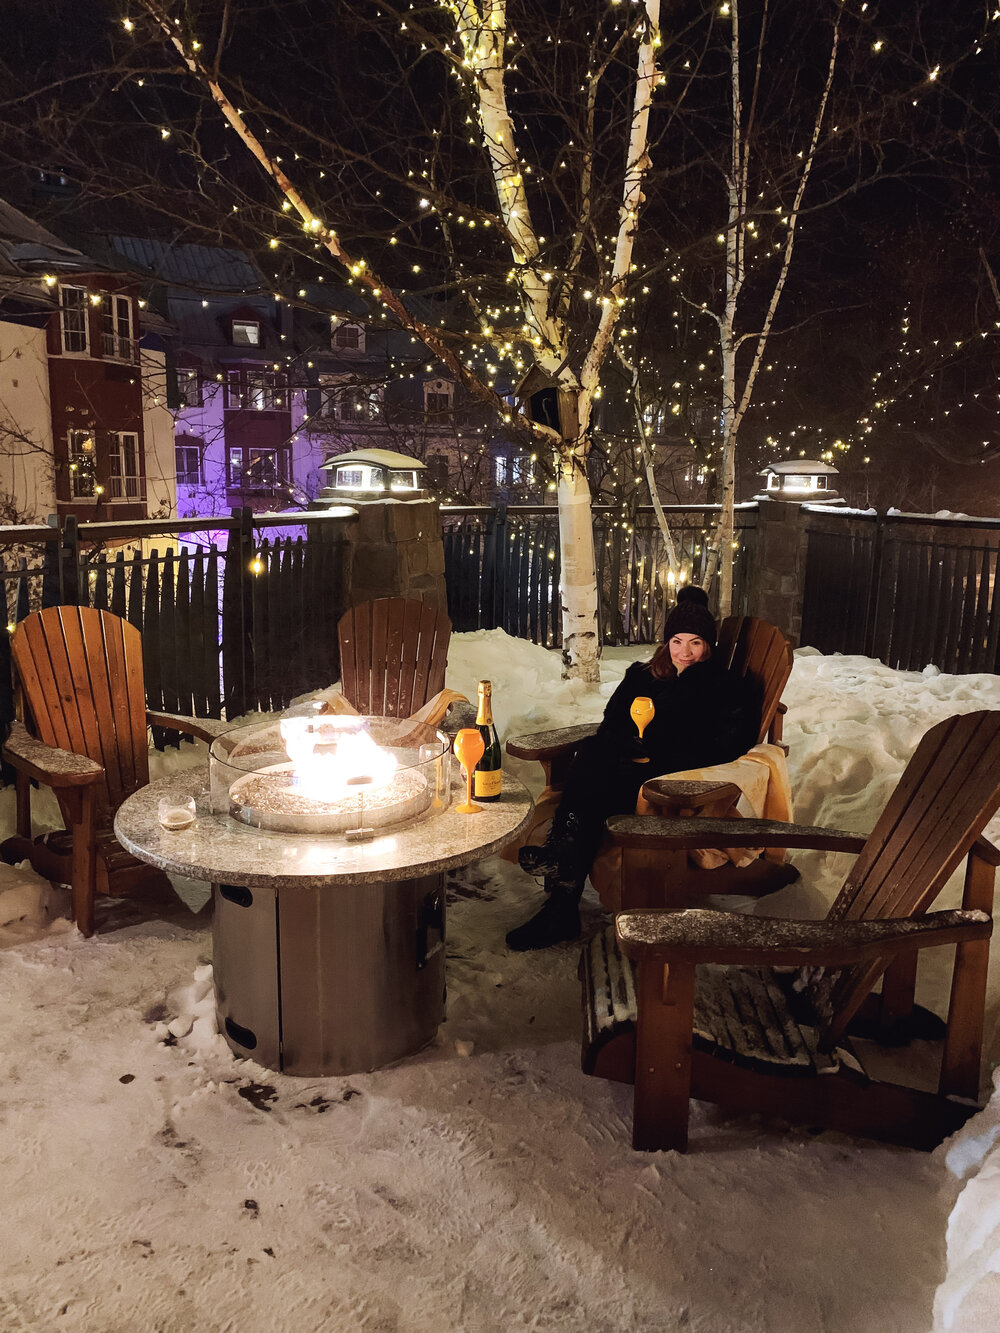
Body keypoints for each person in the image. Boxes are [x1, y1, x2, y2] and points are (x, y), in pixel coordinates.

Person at [506, 585, 762, 951]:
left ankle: (561, 896)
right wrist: (626, 742)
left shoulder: (723, 687)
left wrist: (663, 754)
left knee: (598, 786)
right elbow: (612, 722)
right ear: (666, 642)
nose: (685, 653)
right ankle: (561, 860)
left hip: (670, 782)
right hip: (631, 766)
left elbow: (729, 744)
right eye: (677, 642)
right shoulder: (643, 675)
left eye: (695, 643)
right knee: (594, 751)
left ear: (708, 647)